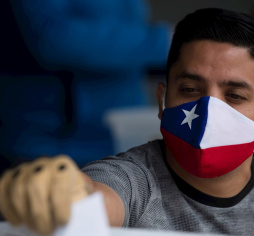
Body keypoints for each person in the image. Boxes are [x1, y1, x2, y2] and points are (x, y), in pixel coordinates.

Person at [1, 8, 254, 236]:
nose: (208, 112)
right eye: (190, 89)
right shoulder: (133, 181)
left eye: (234, 96)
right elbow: (96, 197)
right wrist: (62, 195)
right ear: (162, 101)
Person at [0, 0, 170, 174]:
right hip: (52, 146)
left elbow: (128, 29)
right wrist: (165, 42)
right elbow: (53, 36)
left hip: (124, 138)